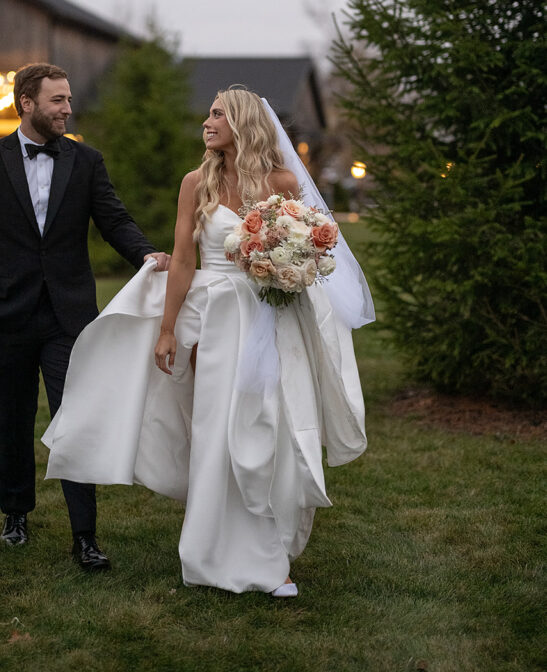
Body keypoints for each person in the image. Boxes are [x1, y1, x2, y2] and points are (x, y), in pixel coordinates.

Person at [44, 87, 373, 595]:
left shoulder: (283, 182)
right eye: (209, 112)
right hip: (218, 323)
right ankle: (212, 552)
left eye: (218, 113)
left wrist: (289, 264)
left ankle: (272, 552)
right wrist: (168, 327)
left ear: (242, 122)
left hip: (275, 319)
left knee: (270, 430)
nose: (207, 120)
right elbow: (182, 259)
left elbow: (314, 249)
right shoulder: (196, 183)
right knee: (219, 432)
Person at [0, 62, 169, 571]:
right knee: (13, 415)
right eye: (57, 100)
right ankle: (15, 514)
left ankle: (85, 535)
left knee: (75, 417)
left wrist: (145, 254)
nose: (67, 108)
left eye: (68, 99)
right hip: (4, 312)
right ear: (27, 102)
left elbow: (113, 218)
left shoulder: (86, 160)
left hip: (68, 316)